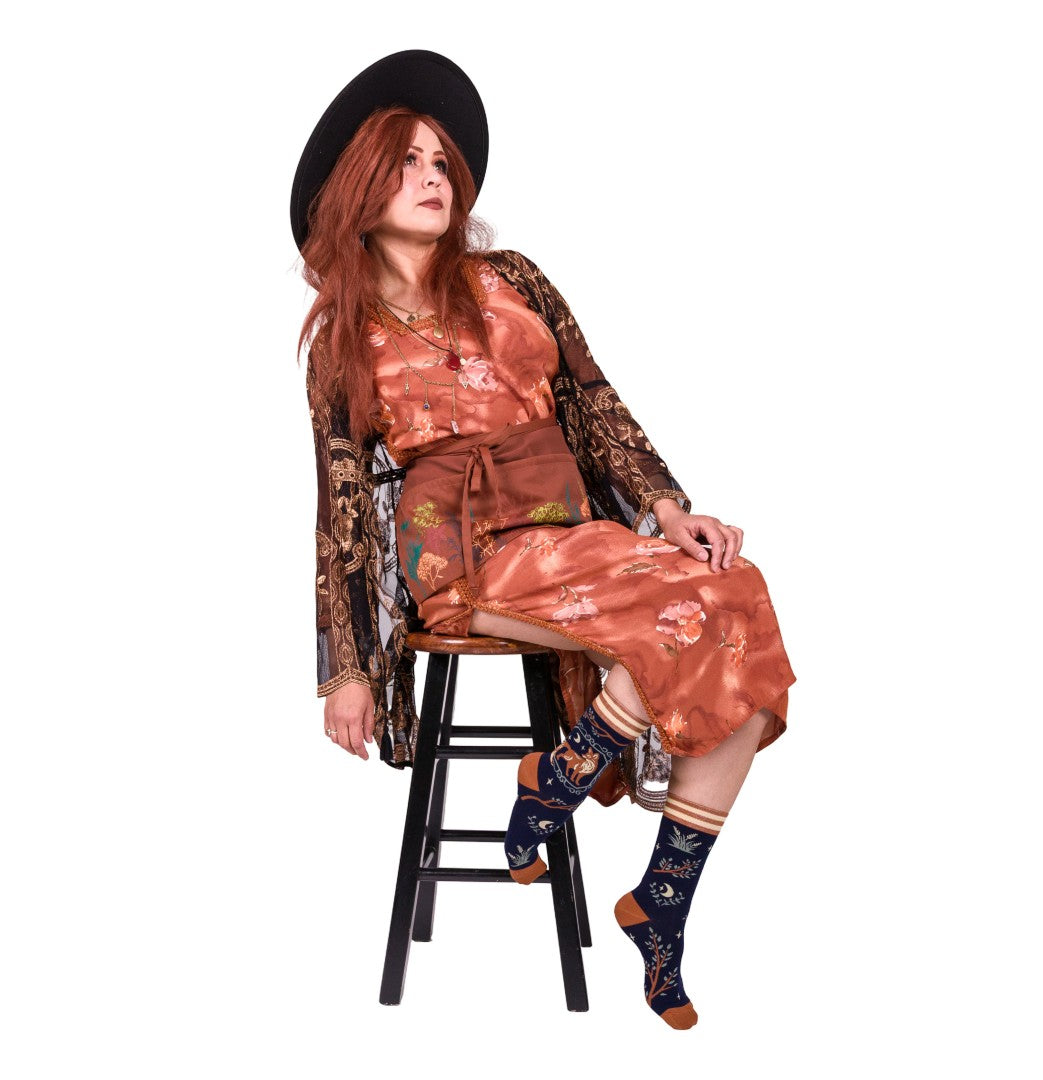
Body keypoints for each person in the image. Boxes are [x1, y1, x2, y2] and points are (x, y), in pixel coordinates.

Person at [292, 51, 796, 1030]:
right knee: (688, 614)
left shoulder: (511, 278)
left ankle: (655, 896)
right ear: (360, 188)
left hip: (567, 529)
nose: (433, 178)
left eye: (441, 162)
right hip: (463, 552)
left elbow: (595, 404)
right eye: (406, 162)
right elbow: (342, 510)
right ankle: (562, 776)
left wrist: (668, 510)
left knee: (737, 593)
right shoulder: (344, 338)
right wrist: (343, 672)